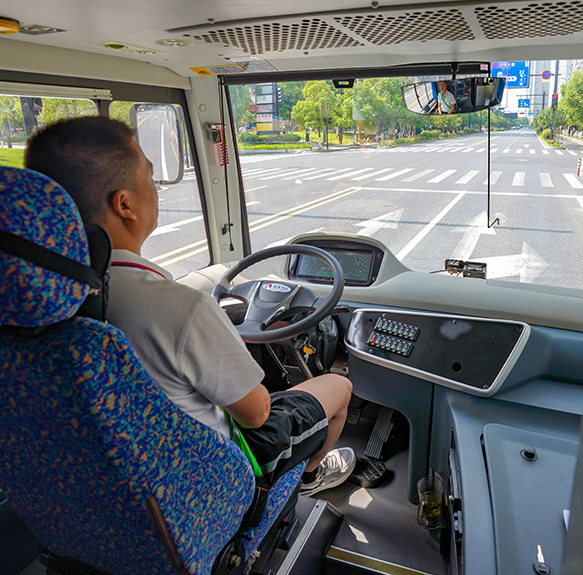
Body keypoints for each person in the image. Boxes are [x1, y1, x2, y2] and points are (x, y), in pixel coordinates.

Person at [25, 116, 355, 495]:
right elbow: (256, 413)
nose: (156, 189)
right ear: (125, 203)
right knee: (338, 386)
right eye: (151, 177)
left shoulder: (26, 303)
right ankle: (309, 478)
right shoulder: (179, 306)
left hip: (109, 478)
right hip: (214, 474)